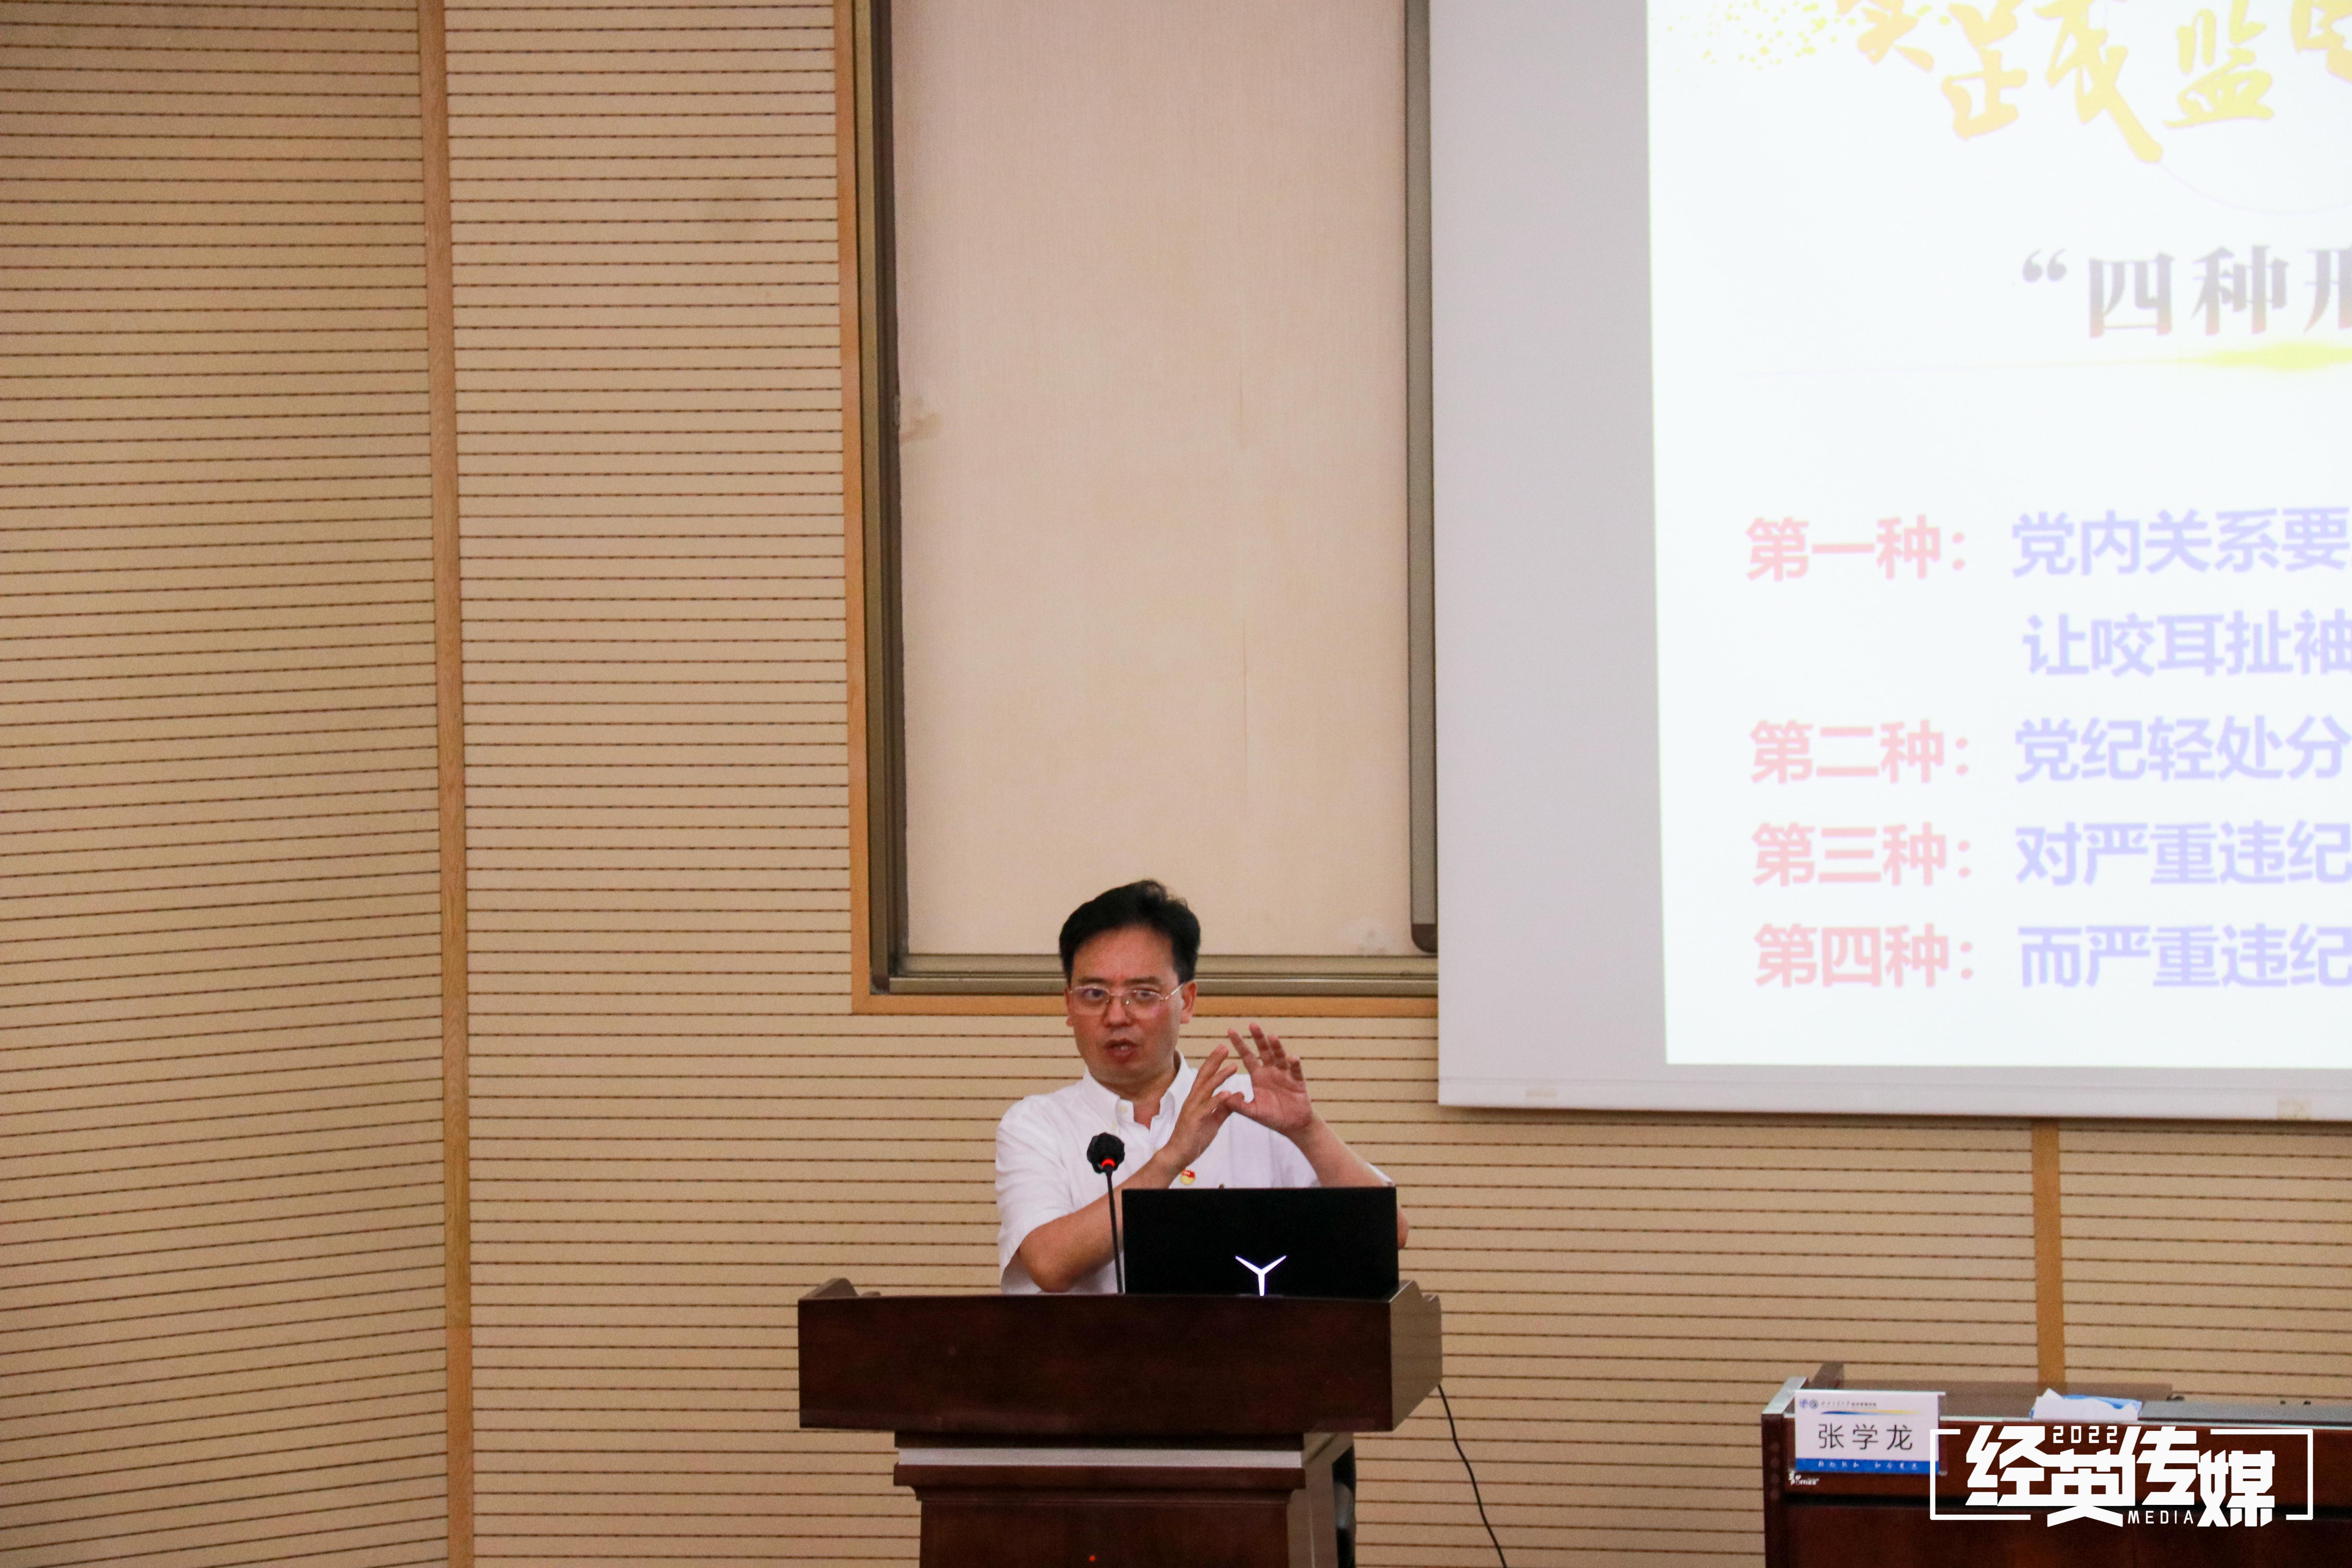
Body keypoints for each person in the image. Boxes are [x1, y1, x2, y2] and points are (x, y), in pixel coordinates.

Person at [996, 879, 1406, 1293]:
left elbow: (1391, 1233)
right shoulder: (1036, 1124)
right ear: (1069, 1004)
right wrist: (1172, 1158)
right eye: (1094, 994)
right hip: (1089, 1339)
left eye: (1143, 994)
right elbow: (1050, 1265)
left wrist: (1307, 1131)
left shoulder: (1248, 1105)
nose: (1116, 1016)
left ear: (1187, 1001)